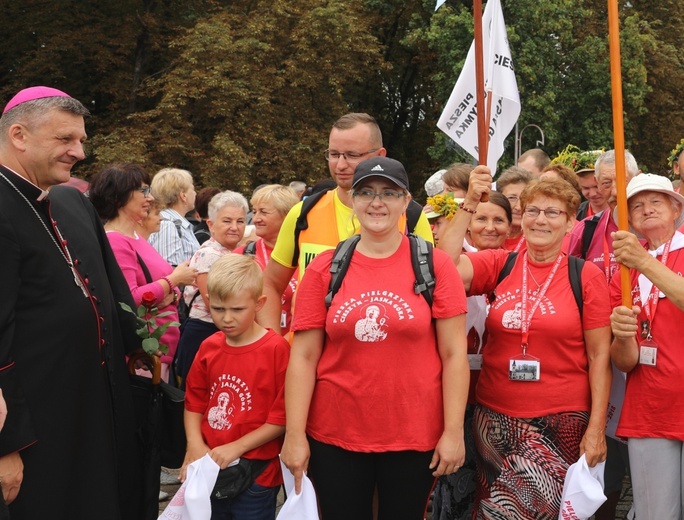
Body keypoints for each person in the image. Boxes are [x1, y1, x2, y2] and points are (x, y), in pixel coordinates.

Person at [281, 157, 469, 519]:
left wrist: (452, 432)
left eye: (388, 193)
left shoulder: (434, 264)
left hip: (414, 434)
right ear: (352, 200)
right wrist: (295, 434)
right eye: (366, 192)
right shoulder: (326, 267)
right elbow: (303, 357)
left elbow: (453, 355)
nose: (377, 202)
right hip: (335, 434)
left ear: (405, 201)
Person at [0, 86, 144, 518]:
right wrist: (7, 445)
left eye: (80, 140)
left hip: (87, 410)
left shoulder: (63, 201)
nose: (79, 152)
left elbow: (110, 290)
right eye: (65, 140)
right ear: (19, 136)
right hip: (36, 430)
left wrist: (138, 348)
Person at [444, 166, 612, 519]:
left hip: (558, 423)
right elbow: (445, 267)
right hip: (493, 419)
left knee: (531, 512)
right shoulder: (500, 263)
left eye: (552, 213)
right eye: (533, 210)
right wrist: (469, 204)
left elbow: (600, 357)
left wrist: (597, 429)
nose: (540, 220)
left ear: (570, 224)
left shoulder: (585, 276)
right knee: (492, 509)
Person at [259, 113, 434, 332]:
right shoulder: (303, 213)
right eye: (333, 154)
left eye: (352, 155)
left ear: (379, 155)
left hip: (379, 348)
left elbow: (433, 291)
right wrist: (273, 343)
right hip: (307, 353)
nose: (340, 164)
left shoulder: (411, 216)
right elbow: (271, 284)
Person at [182, 254, 290, 520]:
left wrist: (237, 447)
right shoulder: (209, 347)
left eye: (237, 310)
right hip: (210, 466)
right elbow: (194, 401)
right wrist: (194, 444)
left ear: (258, 304)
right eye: (218, 309)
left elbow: (283, 416)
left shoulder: (276, 350)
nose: (226, 318)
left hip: (257, 474)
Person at [566, 150, 639, 519]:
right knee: (605, 464)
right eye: (607, 182)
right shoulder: (587, 229)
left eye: (621, 182)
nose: (613, 191)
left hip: (647, 362)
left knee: (643, 464)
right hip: (598, 355)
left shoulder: (656, 226)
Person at [432, 189, 512, 520]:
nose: (490, 227)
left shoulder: (519, 264)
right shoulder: (454, 260)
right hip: (456, 397)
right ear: (467, 224)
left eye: (499, 220)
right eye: (481, 218)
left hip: (499, 398)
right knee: (454, 486)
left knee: (495, 488)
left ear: (511, 226)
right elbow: (444, 266)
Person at [609, 174, 684, 520]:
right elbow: (626, 362)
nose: (646, 209)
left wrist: (643, 262)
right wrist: (622, 335)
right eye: (637, 205)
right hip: (650, 408)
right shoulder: (622, 272)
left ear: (675, 208)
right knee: (655, 515)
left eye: (655, 201)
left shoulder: (639, 261)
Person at [88, 163, 198, 382]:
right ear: (119, 198)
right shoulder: (116, 240)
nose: (150, 198)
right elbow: (129, 301)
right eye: (144, 191)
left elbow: (164, 290)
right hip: (141, 358)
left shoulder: (135, 237)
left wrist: (171, 292)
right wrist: (174, 280)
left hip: (158, 355)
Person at [176, 190, 249, 387]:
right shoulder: (209, 253)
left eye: (240, 221)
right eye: (227, 221)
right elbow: (215, 304)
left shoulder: (236, 253)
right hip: (205, 332)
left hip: (222, 331)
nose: (234, 227)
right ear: (210, 224)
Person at [234, 185, 300, 334]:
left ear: (287, 216)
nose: (255, 219)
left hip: (298, 345)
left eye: (263, 212)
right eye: (255, 211)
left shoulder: (303, 255)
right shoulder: (241, 255)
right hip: (254, 346)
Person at [149, 167, 201, 266]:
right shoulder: (167, 224)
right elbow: (168, 269)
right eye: (193, 189)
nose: (195, 193)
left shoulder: (175, 223)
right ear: (183, 196)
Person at [495, 166, 534, 252]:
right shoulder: (487, 233)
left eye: (525, 198)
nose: (519, 207)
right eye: (512, 198)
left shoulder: (537, 240)